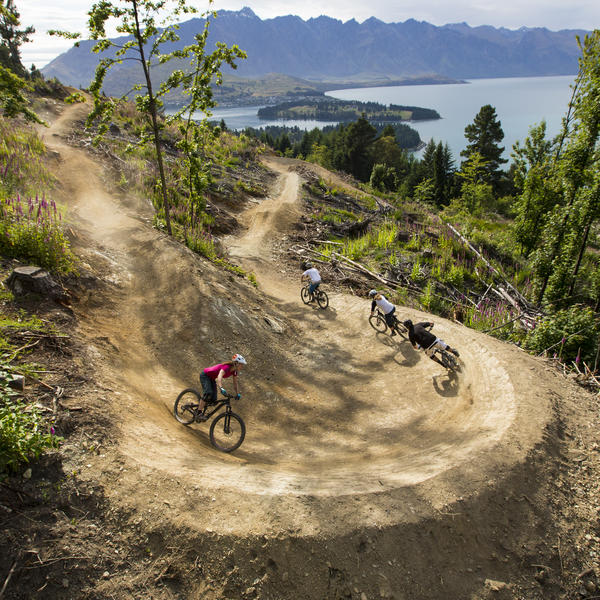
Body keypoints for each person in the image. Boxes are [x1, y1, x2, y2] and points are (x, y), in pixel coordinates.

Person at [198, 354, 246, 420]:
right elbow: (219, 376)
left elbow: (235, 383)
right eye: (241, 364)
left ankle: (202, 405)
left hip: (211, 378)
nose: (242, 366)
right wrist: (221, 387)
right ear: (236, 363)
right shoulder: (226, 367)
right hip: (205, 375)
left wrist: (237, 393)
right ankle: (199, 412)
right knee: (208, 392)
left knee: (214, 400)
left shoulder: (234, 372)